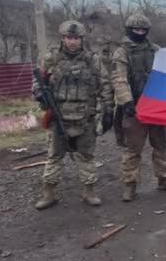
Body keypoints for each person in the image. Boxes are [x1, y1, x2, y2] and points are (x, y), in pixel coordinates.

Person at [32, 20, 114, 210]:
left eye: (76, 38)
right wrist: (39, 94)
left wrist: (109, 110)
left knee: (86, 156)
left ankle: (89, 191)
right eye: (69, 38)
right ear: (63, 38)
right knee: (54, 157)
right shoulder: (50, 58)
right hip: (57, 118)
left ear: (82, 39)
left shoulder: (93, 60)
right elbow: (37, 82)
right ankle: (49, 194)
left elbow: (105, 85)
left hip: (86, 118)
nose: (72, 42)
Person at [111, 12, 166, 202]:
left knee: (161, 145)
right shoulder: (122, 52)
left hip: (156, 106)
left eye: (143, 29)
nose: (140, 32)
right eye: (136, 29)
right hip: (134, 107)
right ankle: (130, 184)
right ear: (129, 30)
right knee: (133, 148)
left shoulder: (157, 50)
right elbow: (119, 79)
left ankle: (164, 179)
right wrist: (126, 101)